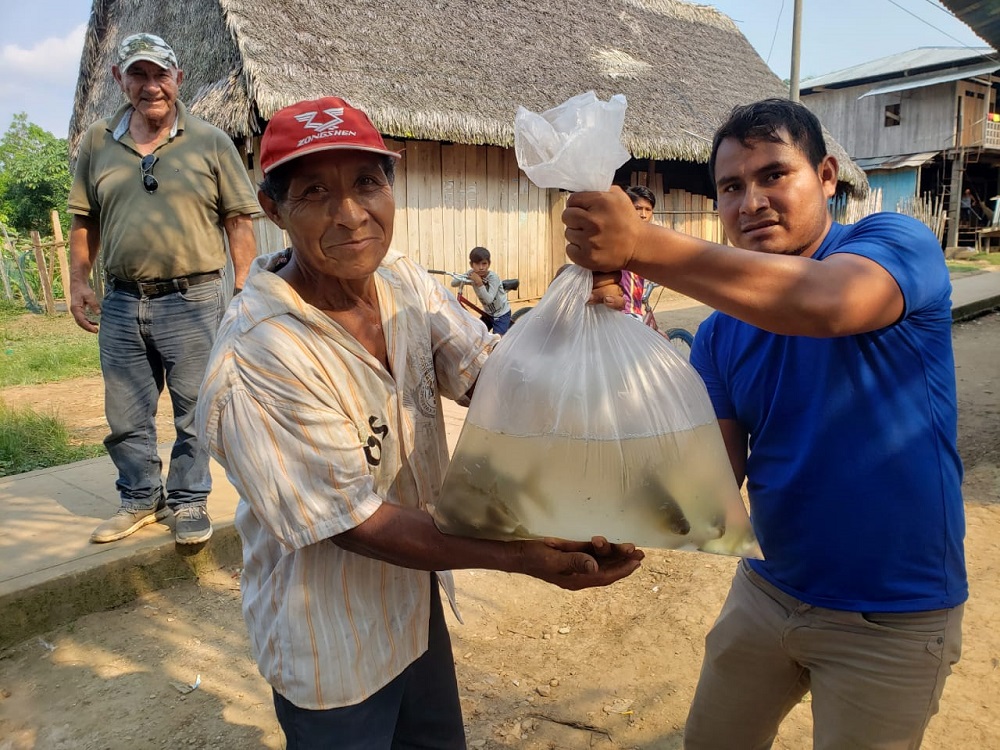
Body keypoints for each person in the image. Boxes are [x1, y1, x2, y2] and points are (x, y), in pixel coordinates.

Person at [195, 95, 643, 749]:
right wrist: (523, 555)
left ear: (390, 188)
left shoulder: (404, 282)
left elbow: (497, 378)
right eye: (316, 191)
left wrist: (583, 307)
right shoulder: (259, 354)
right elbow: (357, 523)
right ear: (273, 209)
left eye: (367, 183)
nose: (351, 214)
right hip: (330, 646)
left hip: (412, 604)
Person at [562, 98, 966, 749]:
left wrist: (642, 245)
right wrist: (599, 509)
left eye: (773, 175)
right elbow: (714, 477)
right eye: (730, 186)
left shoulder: (896, 244)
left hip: (892, 614)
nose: (751, 202)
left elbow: (825, 302)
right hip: (767, 594)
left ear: (827, 176)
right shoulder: (721, 332)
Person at [68, 33, 260, 545]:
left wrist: (243, 288)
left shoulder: (211, 141)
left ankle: (188, 500)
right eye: (138, 75)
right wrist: (79, 282)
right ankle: (139, 498)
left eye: (160, 75)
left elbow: (239, 220)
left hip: (194, 298)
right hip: (123, 299)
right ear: (119, 79)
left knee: (195, 408)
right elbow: (84, 218)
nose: (150, 86)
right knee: (125, 412)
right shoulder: (96, 142)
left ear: (178, 78)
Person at [621, 185, 654, 318]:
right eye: (638, 209)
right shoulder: (620, 238)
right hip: (626, 313)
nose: (643, 215)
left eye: (648, 210)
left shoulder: (645, 240)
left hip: (634, 310)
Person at [468, 245, 512, 334]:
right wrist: (468, 273)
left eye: (484, 263)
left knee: (498, 341)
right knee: (477, 334)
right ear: (471, 265)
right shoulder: (473, 274)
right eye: (477, 264)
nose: (481, 267)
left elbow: (488, 300)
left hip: (501, 314)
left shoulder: (493, 278)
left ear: (489, 263)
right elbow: (454, 283)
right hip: (489, 313)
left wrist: (479, 283)